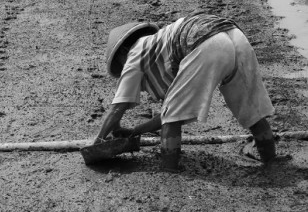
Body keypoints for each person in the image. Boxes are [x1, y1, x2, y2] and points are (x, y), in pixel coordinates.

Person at [94, 12, 276, 171]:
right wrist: (135, 131)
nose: (123, 68)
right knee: (253, 112)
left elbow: (117, 109)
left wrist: (97, 144)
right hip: (232, 33)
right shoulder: (161, 50)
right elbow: (168, 110)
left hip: (203, 41)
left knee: (172, 117)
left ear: (124, 51)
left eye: (120, 64)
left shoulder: (134, 55)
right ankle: (271, 162)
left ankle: (169, 169)